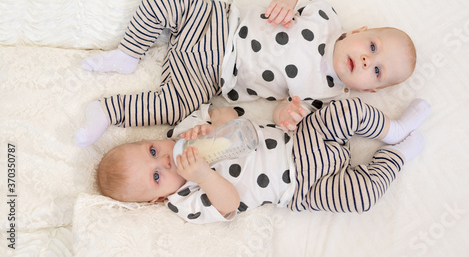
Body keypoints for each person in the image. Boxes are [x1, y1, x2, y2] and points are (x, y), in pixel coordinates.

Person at [75, 0, 416, 147]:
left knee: (176, 106)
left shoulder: (325, 95)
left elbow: (282, 112)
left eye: (376, 70)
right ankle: (128, 53)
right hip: (215, 21)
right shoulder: (326, 16)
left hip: (210, 75)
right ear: (359, 31)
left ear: (368, 88)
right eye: (373, 46)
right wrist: (286, 1)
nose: (369, 59)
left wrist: (286, 116)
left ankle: (108, 110)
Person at [97, 97, 430, 224]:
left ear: (151, 140)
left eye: (153, 152)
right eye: (157, 177)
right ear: (157, 198)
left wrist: (213, 126)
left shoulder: (185, 130)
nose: (166, 162)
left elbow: (228, 110)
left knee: (345, 110)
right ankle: (396, 155)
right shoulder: (184, 202)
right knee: (360, 197)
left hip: (301, 138)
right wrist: (203, 174)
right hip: (303, 187)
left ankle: (393, 128)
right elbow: (230, 204)